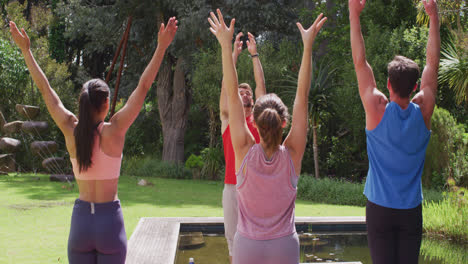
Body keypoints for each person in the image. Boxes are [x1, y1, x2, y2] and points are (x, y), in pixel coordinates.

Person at [9, 17, 178, 264]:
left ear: (82, 104)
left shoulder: (70, 129)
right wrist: (161, 47)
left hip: (81, 223)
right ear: (107, 103)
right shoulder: (115, 129)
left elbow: (47, 91)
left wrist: (27, 51)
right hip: (109, 222)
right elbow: (143, 87)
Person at [209, 9, 326, 264]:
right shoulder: (292, 154)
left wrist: (225, 46)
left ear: (255, 123)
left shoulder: (243, 149)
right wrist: (307, 48)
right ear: (284, 122)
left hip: (247, 246)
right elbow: (302, 98)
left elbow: (231, 92)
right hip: (284, 245)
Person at [349, 0, 440, 263]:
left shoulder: (376, 108)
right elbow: (432, 66)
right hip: (410, 210)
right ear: (414, 88)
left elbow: (359, 62)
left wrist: (354, 14)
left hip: (379, 209)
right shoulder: (423, 111)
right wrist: (433, 18)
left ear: (388, 84)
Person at [220, 29, 266, 263]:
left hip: (256, 188)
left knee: (258, 242)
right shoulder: (229, 120)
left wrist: (254, 55)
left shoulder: (259, 120)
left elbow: (261, 87)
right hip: (232, 188)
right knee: (233, 244)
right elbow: (227, 85)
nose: (245, 93)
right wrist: (233, 57)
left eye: (246, 91)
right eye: (239, 91)